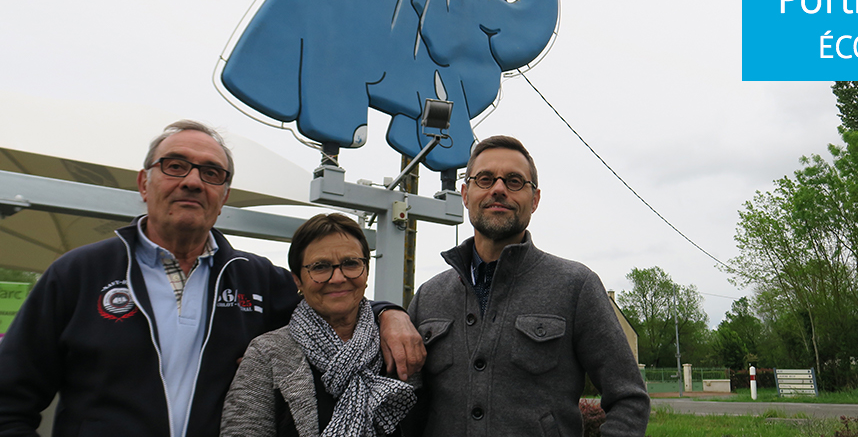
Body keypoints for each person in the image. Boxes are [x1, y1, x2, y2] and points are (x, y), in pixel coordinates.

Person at [0, 120, 423, 437]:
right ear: (144, 183)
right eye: (175, 166)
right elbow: (10, 401)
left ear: (224, 196)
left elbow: (334, 299)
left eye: (211, 173)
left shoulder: (253, 277)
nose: (192, 182)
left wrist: (390, 314)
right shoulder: (78, 273)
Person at [406, 135, 651, 436]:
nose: (498, 189)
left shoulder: (575, 286)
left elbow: (629, 398)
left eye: (514, 181)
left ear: (534, 200)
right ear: (465, 195)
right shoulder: (428, 297)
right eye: (485, 179)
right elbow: (406, 406)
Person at [221, 213, 417, 436]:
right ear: (297, 280)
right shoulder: (267, 354)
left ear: (366, 271)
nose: (337, 278)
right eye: (320, 267)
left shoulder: (399, 344)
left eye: (351, 263)